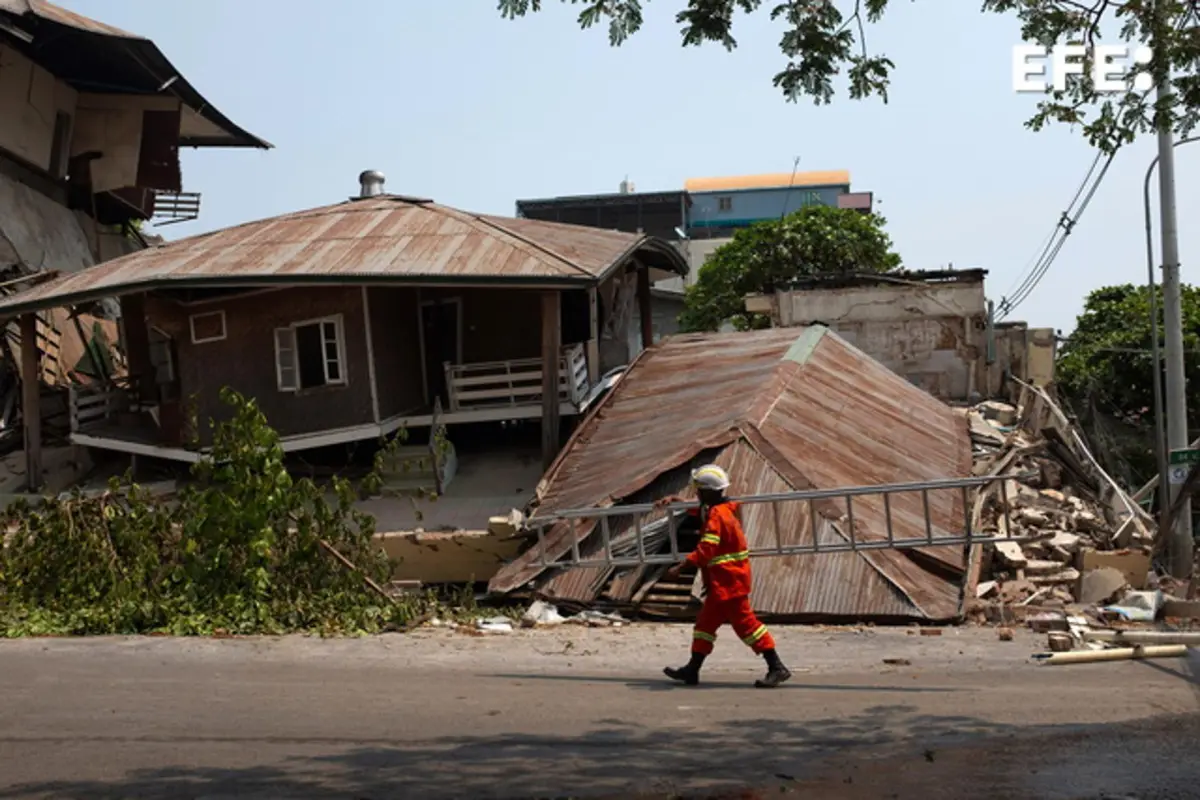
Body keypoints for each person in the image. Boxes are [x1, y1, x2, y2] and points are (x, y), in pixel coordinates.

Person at [655, 464, 792, 689]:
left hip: (730, 584)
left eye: (698, 490)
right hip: (723, 584)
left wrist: (680, 568)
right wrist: (678, 502)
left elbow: (706, 549)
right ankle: (692, 669)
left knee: (747, 627)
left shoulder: (717, 517)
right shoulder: (723, 508)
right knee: (704, 626)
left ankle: (776, 667)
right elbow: (700, 511)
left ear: (707, 492)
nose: (696, 494)